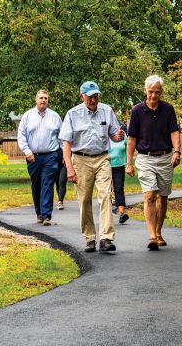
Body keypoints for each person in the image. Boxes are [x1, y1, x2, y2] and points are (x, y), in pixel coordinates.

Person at [59, 81, 125, 253]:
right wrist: (70, 168)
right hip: (81, 159)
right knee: (84, 199)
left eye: (96, 96)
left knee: (105, 195)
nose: (94, 100)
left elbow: (114, 135)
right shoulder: (73, 114)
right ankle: (90, 238)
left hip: (102, 157)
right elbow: (66, 143)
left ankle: (106, 238)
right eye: (90, 97)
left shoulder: (107, 110)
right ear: (82, 97)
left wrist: (118, 136)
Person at [126, 74, 181, 250]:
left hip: (165, 157)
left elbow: (174, 132)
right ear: (145, 91)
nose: (153, 96)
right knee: (150, 195)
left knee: (162, 197)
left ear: (161, 92)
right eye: (150, 92)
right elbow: (132, 139)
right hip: (145, 158)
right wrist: (128, 162)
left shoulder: (168, 109)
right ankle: (151, 236)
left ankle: (158, 232)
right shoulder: (136, 111)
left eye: (157, 92)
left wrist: (177, 151)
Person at [17, 89, 62, 226]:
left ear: (48, 100)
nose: (43, 100)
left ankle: (46, 214)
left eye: (46, 98)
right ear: (36, 100)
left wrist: (65, 154)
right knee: (36, 185)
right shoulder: (28, 116)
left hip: (50, 155)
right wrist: (26, 151)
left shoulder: (55, 116)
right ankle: (39, 213)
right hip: (33, 157)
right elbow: (21, 135)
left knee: (47, 184)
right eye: (41, 98)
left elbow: (62, 137)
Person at [109, 122, 129, 224]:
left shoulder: (122, 133)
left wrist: (129, 162)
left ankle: (121, 213)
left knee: (119, 188)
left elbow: (127, 147)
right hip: (105, 165)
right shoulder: (104, 133)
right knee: (106, 190)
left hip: (119, 165)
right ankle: (106, 215)